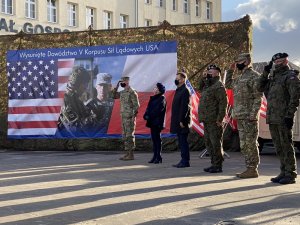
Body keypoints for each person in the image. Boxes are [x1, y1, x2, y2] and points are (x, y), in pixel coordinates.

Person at [257, 52, 300, 184]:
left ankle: (291, 173)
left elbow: (295, 98)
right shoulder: (273, 78)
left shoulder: (290, 77)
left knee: (286, 145)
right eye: (275, 62)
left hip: (283, 117)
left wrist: (289, 115)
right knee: (278, 146)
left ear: (286, 62)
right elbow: (259, 87)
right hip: (273, 117)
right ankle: (283, 171)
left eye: (280, 62)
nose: (277, 64)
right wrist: (265, 73)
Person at [225, 53, 262, 178]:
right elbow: (228, 84)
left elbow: (258, 97)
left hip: (249, 116)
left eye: (239, 61)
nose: (237, 63)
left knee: (250, 143)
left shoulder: (254, 76)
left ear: (246, 62)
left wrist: (253, 114)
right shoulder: (239, 77)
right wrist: (230, 70)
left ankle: (252, 169)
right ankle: (249, 168)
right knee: (244, 144)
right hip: (240, 115)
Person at [198, 65, 228, 173]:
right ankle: (213, 163)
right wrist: (203, 77)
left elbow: (223, 104)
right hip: (207, 119)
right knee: (209, 143)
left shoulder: (219, 86)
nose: (209, 73)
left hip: (214, 120)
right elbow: (199, 88)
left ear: (217, 73)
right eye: (208, 71)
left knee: (215, 143)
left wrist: (220, 119)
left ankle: (218, 165)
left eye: (211, 71)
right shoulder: (208, 85)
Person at [57, 66, 97, 136]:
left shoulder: (76, 99)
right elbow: (75, 129)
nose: (86, 87)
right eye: (85, 84)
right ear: (77, 84)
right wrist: (92, 119)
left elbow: (86, 114)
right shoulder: (65, 100)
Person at [112, 76, 140, 160]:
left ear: (127, 81)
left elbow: (136, 106)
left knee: (129, 136)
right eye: (121, 82)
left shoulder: (132, 92)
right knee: (125, 135)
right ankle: (127, 153)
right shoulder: (122, 92)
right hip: (124, 117)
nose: (122, 83)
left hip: (130, 118)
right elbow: (113, 96)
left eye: (124, 81)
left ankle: (131, 154)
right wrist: (116, 86)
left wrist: (133, 116)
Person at [171, 71, 192, 168]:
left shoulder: (185, 90)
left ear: (183, 80)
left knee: (183, 141)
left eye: (177, 79)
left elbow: (185, 107)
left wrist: (182, 121)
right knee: (181, 141)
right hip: (178, 120)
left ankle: (185, 161)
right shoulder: (179, 89)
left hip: (182, 121)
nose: (176, 80)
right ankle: (183, 160)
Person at [143, 83, 167, 164]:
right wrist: (145, 115)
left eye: (156, 88)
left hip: (157, 122)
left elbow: (158, 110)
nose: (154, 89)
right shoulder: (153, 98)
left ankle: (158, 156)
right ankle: (155, 156)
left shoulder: (162, 98)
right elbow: (148, 108)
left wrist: (149, 116)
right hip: (152, 122)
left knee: (157, 139)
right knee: (154, 139)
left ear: (159, 90)